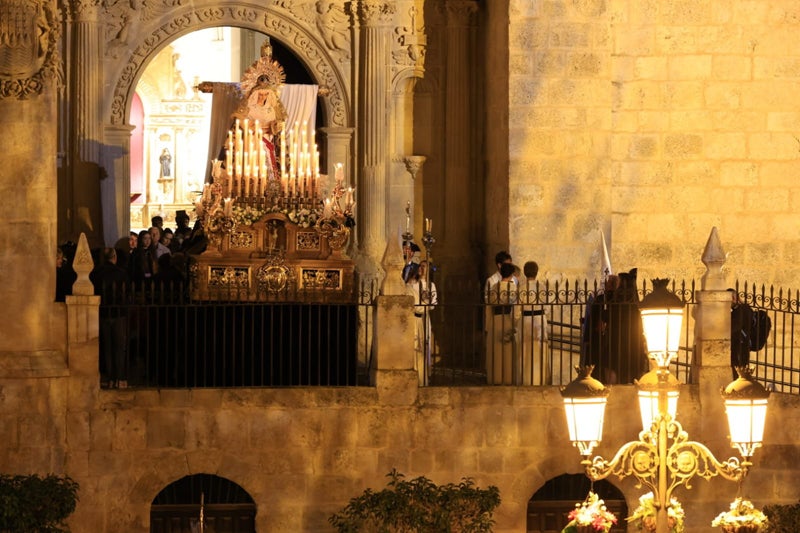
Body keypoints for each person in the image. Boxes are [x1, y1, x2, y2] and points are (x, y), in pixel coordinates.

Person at [90, 247, 130, 388]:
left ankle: (109, 378)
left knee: (106, 347)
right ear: (114, 257)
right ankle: (120, 377)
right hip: (119, 313)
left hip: (103, 313)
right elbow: (127, 293)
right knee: (119, 347)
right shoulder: (121, 273)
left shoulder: (95, 274)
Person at [485, 261, 519, 385]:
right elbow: (515, 309)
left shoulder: (494, 287)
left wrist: (488, 325)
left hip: (495, 320)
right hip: (507, 319)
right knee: (507, 352)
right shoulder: (513, 288)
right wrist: (516, 325)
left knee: (496, 351)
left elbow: (488, 307)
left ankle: (495, 378)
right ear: (512, 274)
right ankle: (507, 379)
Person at [405, 260, 438, 386]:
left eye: (424, 267)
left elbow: (433, 304)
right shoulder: (412, 283)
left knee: (424, 344)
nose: (421, 268)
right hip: (412, 317)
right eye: (420, 266)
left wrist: (426, 302)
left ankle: (424, 373)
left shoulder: (431, 285)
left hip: (424, 316)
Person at [519, 261, 550, 385]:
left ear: (525, 272)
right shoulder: (542, 287)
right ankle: (540, 380)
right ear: (537, 272)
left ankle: (526, 380)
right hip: (539, 320)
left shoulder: (521, 288)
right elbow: (547, 308)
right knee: (539, 351)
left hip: (525, 321)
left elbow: (517, 309)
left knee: (525, 352)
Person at [729, 288, 754, 380]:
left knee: (739, 369)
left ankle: (739, 389)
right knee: (738, 368)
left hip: (740, 343)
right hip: (740, 343)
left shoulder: (742, 310)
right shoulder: (741, 309)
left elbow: (736, 327)